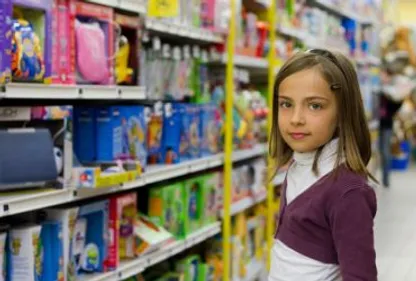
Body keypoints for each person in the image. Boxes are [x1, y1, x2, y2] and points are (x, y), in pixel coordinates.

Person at [268, 49, 377, 281]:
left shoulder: (348, 192)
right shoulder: (299, 166)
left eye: (315, 106)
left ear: (343, 113)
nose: (296, 118)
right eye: (286, 104)